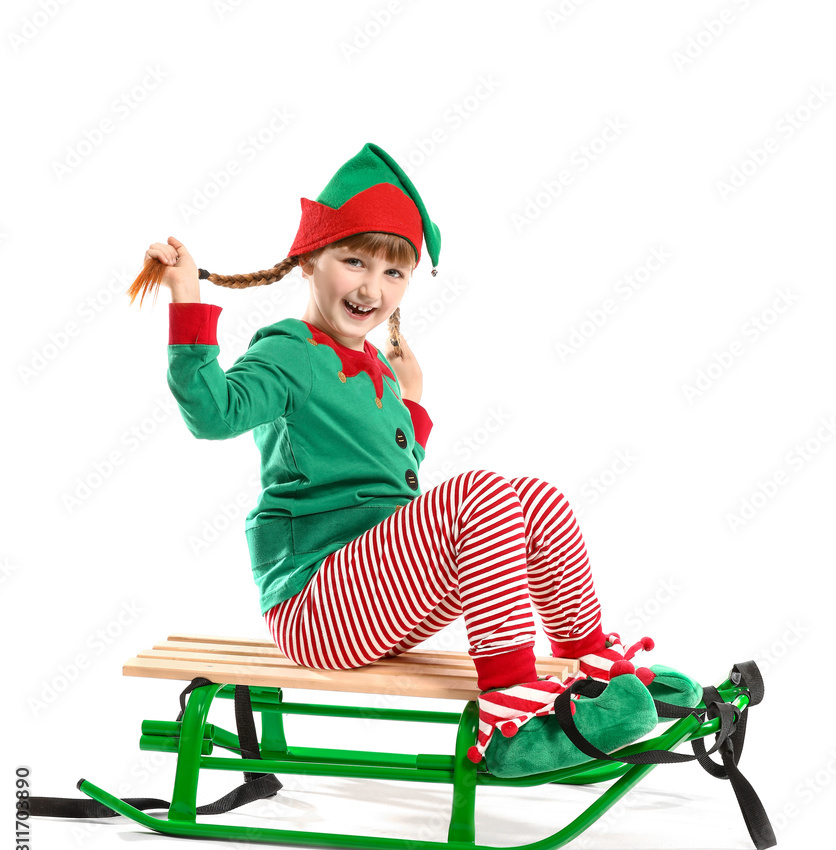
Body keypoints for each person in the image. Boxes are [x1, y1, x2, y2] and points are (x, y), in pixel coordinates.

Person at [134, 142, 700, 778]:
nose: (372, 287)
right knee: (480, 491)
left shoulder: (374, 366)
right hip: (315, 605)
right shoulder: (290, 351)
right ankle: (509, 720)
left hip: (377, 600)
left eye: (393, 272)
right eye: (354, 262)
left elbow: (384, 487)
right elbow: (213, 414)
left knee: (535, 497)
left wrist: (410, 405)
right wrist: (187, 299)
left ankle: (590, 665)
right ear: (309, 261)